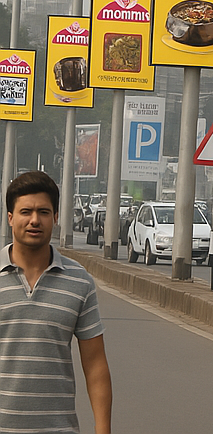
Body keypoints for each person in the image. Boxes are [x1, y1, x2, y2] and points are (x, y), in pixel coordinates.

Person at [1, 170, 112, 433]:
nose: (34, 220)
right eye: (25, 212)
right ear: (10, 218)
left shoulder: (79, 281)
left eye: (44, 212)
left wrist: (103, 428)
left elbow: (95, 365)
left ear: (55, 217)